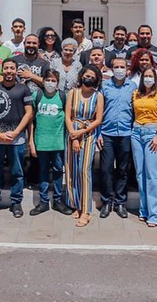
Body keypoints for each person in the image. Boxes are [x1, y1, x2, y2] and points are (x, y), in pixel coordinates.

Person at [0, 59, 34, 218]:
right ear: (2, 70)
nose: (9, 71)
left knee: (17, 172)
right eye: (6, 68)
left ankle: (16, 202)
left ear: (16, 70)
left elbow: (29, 113)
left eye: (12, 68)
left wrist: (16, 132)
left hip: (17, 138)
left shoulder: (23, 89)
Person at [29, 70, 74, 216]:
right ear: (43, 80)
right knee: (42, 172)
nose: (50, 83)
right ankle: (43, 202)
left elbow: (69, 118)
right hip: (41, 142)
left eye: (53, 80)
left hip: (58, 142)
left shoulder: (62, 96)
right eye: (48, 79)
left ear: (58, 81)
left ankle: (57, 201)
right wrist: (31, 142)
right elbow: (31, 120)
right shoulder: (37, 95)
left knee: (57, 172)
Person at [64, 64, 105, 226]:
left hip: (88, 134)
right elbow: (67, 116)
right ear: (81, 76)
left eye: (92, 77)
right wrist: (73, 137)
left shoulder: (98, 96)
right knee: (72, 170)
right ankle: (76, 204)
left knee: (84, 170)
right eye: (86, 76)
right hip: (72, 132)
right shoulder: (72, 93)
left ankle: (86, 210)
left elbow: (98, 119)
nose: (88, 79)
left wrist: (81, 133)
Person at [131, 66, 157, 227]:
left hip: (152, 133)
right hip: (136, 132)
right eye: (145, 76)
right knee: (140, 173)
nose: (148, 78)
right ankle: (144, 209)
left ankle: (154, 214)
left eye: (151, 76)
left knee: (152, 174)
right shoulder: (136, 94)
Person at [98, 57, 136, 219]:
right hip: (107, 133)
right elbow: (98, 111)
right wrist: (98, 132)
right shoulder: (104, 86)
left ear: (127, 69)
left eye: (122, 66)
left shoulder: (133, 87)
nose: (119, 69)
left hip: (126, 134)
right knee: (106, 169)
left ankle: (120, 202)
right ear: (111, 68)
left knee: (122, 169)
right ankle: (107, 201)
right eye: (116, 67)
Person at [15, 33, 50, 98]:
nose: (31, 45)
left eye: (34, 43)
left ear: (38, 45)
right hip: (17, 97)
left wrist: (31, 75)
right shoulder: (14, 60)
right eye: (28, 43)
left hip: (36, 98)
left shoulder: (44, 63)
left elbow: (47, 83)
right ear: (24, 43)